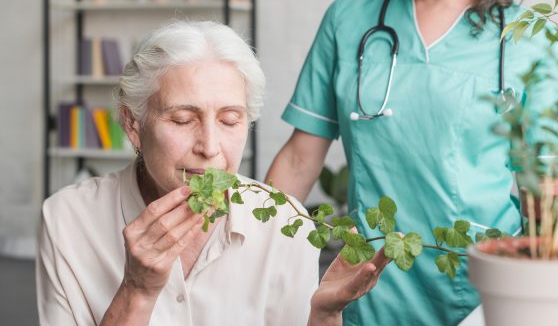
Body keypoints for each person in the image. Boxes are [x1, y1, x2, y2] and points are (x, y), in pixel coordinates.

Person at [265, 0, 558, 324]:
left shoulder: (528, 40)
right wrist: (246, 252)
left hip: (484, 289)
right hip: (370, 285)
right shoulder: (349, 18)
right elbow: (299, 158)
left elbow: (545, 192)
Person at [36, 21, 389, 326]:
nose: (210, 147)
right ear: (132, 123)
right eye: (182, 120)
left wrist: (325, 317)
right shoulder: (67, 219)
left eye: (230, 120)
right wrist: (137, 291)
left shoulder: (284, 221)